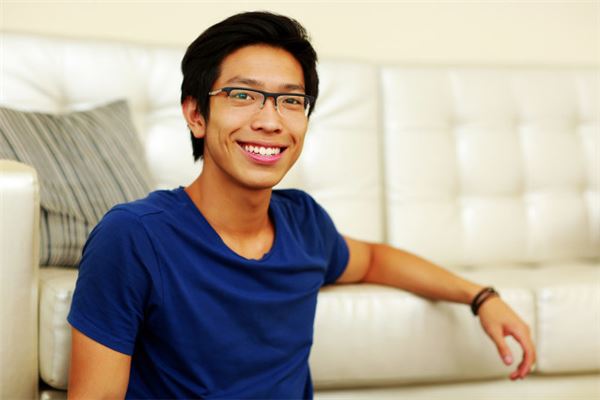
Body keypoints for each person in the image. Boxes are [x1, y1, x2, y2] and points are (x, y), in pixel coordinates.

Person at [67, 11, 536, 399]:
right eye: (243, 95)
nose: (270, 121)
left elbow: (375, 259)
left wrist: (481, 297)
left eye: (290, 101)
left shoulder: (303, 224)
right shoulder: (133, 236)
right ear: (196, 114)